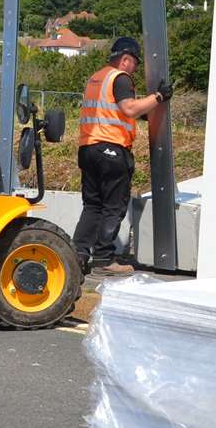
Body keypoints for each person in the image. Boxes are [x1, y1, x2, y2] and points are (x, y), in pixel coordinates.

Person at [72, 36, 172, 275]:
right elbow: (128, 108)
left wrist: (143, 111)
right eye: (135, 63)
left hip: (88, 148)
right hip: (111, 150)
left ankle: (78, 255)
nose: (135, 68)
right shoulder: (120, 77)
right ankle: (104, 259)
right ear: (125, 60)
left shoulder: (97, 78)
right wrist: (158, 97)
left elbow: (114, 111)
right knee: (113, 206)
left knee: (92, 205)